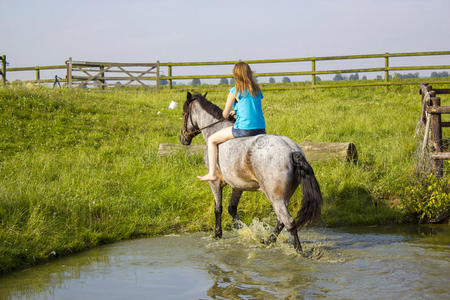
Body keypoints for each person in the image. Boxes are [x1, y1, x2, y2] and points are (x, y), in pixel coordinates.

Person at [197, 62, 266, 181]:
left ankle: (212, 173)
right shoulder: (257, 90)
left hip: (244, 129)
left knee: (211, 140)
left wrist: (229, 113)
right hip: (261, 128)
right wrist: (236, 111)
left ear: (236, 75)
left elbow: (224, 114)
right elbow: (250, 106)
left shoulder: (235, 91)